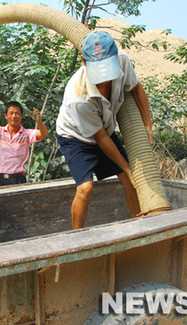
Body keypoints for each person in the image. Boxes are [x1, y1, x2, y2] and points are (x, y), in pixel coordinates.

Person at [56, 30, 153, 229]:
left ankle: (141, 224)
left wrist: (147, 125)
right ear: (85, 62)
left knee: (129, 180)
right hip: (76, 136)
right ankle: (77, 239)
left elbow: (136, 89)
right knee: (86, 188)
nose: (104, 80)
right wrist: (127, 167)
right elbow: (100, 139)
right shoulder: (78, 97)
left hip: (104, 129)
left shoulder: (123, 61)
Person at [0, 97, 49, 186]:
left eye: (17, 113)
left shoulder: (26, 134)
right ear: (6, 115)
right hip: (1, 180)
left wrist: (39, 121)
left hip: (19, 180)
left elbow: (44, 134)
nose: (14, 116)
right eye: (11, 113)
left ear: (22, 116)